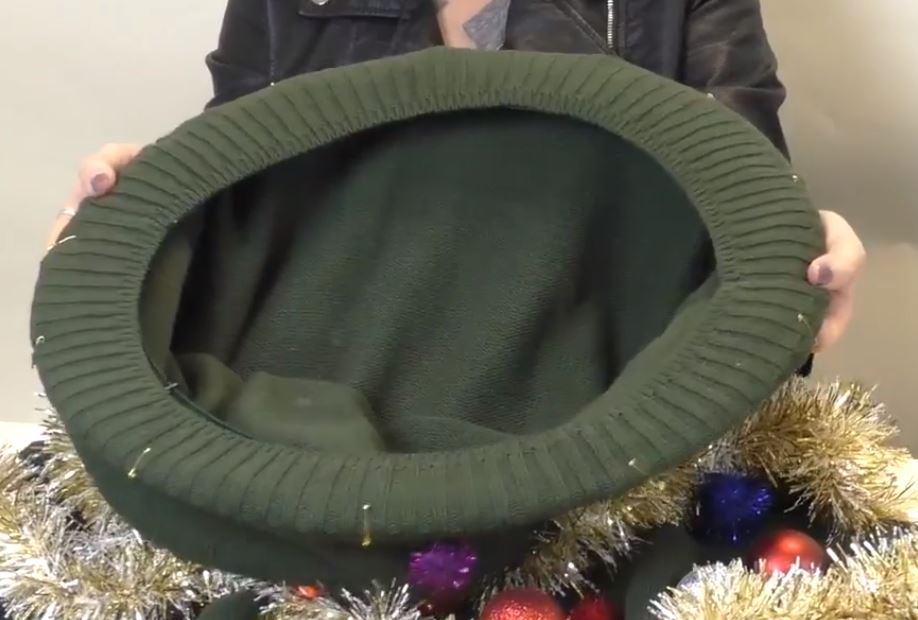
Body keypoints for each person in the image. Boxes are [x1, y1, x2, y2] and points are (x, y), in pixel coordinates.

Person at [46, 0, 864, 353]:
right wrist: (146, 217)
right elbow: (239, 181)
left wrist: (798, 254)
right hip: (323, 395)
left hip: (601, 403)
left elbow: (738, 195)